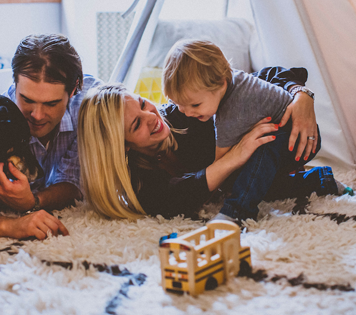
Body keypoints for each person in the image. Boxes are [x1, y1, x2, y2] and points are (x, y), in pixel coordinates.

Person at [78, 64, 331, 221]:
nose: (151, 117)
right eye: (136, 124)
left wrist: (301, 96)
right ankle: (319, 180)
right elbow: (176, 199)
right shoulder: (137, 179)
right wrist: (233, 158)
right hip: (258, 170)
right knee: (246, 180)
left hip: (282, 147)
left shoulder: (187, 113)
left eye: (143, 103)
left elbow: (261, 78)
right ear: (122, 146)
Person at [162, 39, 337, 221]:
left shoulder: (232, 109)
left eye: (195, 105)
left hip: (300, 137)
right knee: (254, 177)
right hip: (285, 133)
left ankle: (237, 211)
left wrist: (209, 194)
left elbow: (220, 162)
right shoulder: (234, 78)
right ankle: (321, 180)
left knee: (260, 153)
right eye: (179, 105)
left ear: (220, 84)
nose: (188, 112)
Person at [0, 34, 101, 239]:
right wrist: (9, 226)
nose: (36, 115)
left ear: (73, 91)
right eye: (26, 99)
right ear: (14, 85)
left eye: (51, 104)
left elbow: (74, 183)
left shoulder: (92, 105)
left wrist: (33, 202)